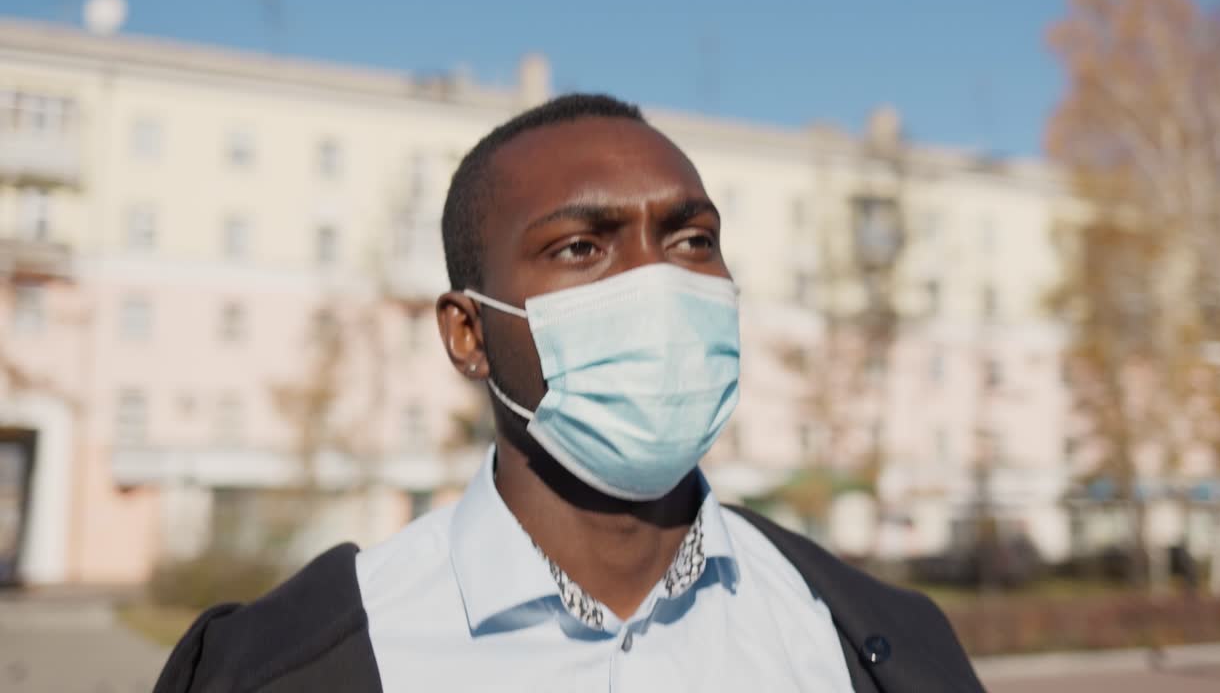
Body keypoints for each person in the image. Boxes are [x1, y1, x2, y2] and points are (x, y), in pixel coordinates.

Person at [154, 94, 983, 692]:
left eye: (692, 239)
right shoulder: (291, 666)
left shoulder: (871, 642)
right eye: (584, 247)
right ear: (467, 334)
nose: (659, 283)